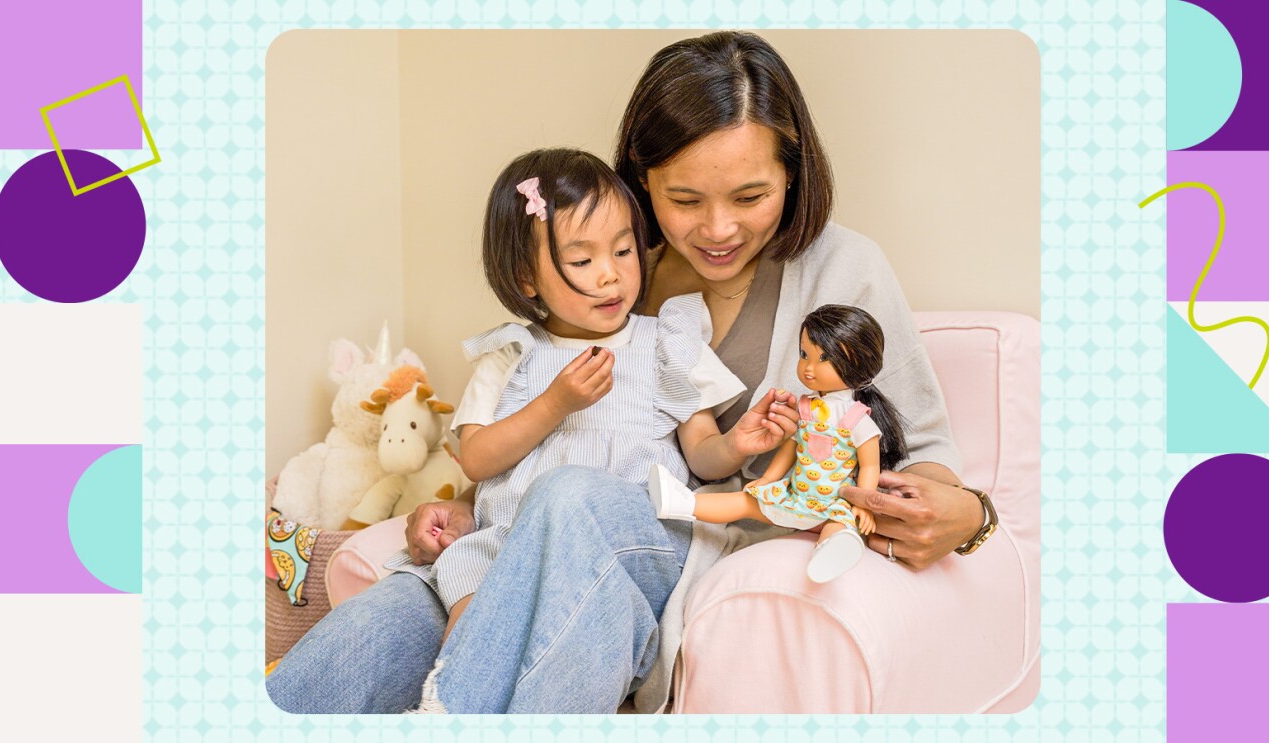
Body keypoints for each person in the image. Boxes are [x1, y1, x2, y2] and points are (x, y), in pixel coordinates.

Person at [267, 30, 991, 714]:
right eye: (683, 200)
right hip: (544, 542)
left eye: (749, 197)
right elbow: (537, 429)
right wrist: (481, 505)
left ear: (793, 174)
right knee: (393, 614)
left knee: (573, 498)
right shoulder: (612, 278)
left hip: (682, 535)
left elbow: (925, 456)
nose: (716, 229)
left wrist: (968, 515)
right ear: (642, 182)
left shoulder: (842, 272)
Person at [373, 147, 799, 711]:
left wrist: (737, 443)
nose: (612, 274)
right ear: (527, 277)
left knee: (556, 547)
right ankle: (451, 702)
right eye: (582, 261)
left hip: (619, 542)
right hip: (503, 544)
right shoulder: (509, 356)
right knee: (471, 619)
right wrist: (554, 404)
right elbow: (476, 460)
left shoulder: (665, 343)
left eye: (624, 250)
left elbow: (701, 455)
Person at [650, 304, 907, 583]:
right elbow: (791, 449)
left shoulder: (857, 419)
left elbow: (870, 466)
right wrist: (769, 479)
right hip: (797, 496)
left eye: (824, 359)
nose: (808, 368)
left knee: (840, 527)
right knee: (746, 503)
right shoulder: (806, 407)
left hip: (835, 502)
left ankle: (831, 553)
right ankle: (682, 504)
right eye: (804, 354)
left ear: (857, 363)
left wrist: (863, 505)